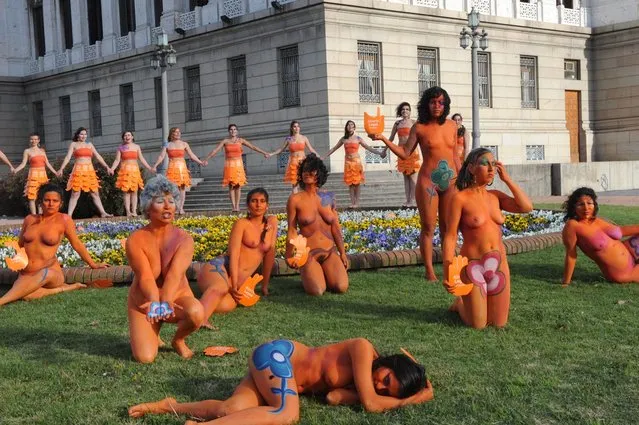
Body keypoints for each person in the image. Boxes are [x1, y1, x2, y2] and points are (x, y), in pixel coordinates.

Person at [128, 337, 433, 424]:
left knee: (230, 411)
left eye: (386, 390)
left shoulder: (363, 381)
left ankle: (168, 407)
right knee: (287, 413)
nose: (380, 385)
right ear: (390, 362)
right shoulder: (364, 349)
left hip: (275, 378)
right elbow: (370, 404)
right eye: (387, 378)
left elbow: (334, 398)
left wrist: (383, 396)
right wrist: (413, 399)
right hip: (277, 356)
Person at [370, 86, 459, 281]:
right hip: (429, 184)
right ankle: (429, 271)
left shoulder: (453, 126)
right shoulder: (419, 127)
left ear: (446, 105)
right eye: (433, 102)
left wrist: (463, 179)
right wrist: (384, 138)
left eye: (441, 102)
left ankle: (449, 269)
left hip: (451, 184)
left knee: (448, 228)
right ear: (426, 104)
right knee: (428, 227)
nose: (437, 106)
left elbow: (455, 156)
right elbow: (404, 153)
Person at [442, 148, 532, 328]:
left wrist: (507, 179)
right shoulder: (459, 199)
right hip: (473, 266)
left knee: (499, 323)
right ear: (471, 168)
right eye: (485, 164)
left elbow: (526, 207)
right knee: (478, 325)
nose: (491, 169)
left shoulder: (496, 197)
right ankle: (460, 305)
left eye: (494, 164)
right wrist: (448, 270)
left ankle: (472, 303)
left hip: (499, 266)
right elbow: (450, 236)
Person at [125, 175, 204, 362]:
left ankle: (178, 340)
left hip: (176, 298)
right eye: (160, 201)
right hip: (144, 302)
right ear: (148, 208)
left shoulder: (184, 239)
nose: (167, 206)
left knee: (196, 312)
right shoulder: (135, 239)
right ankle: (152, 332)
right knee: (145, 358)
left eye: (171, 201)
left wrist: (166, 301)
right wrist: (154, 302)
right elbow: (144, 276)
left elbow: (175, 275)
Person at [0, 183, 108, 307]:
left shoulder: (64, 220)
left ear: (60, 203)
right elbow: (20, 245)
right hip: (27, 273)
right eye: (47, 200)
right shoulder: (29, 219)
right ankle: (69, 288)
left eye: (55, 201)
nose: (51, 204)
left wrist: (93, 264)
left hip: (51, 273)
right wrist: (17, 261)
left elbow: (77, 244)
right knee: (27, 295)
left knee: (42, 275)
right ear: (40, 202)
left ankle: (2, 301)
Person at [196, 188, 277, 328]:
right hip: (220, 267)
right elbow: (234, 255)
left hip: (237, 280)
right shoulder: (242, 224)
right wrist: (233, 284)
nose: (258, 205)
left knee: (228, 305)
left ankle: (195, 303)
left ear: (267, 205)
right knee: (220, 288)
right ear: (247, 205)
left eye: (262, 201)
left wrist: (265, 286)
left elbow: (270, 254)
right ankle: (199, 320)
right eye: (254, 201)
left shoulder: (271, 223)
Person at [286, 154, 348, 296]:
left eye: (312, 170)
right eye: (305, 170)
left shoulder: (329, 197)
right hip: (308, 253)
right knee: (317, 291)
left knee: (340, 287)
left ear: (319, 173)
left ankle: (324, 272)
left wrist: (342, 253)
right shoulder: (295, 199)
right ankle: (311, 272)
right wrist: (289, 254)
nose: (307, 173)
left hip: (329, 251)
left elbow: (335, 227)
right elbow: (292, 229)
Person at [561, 187, 639, 285]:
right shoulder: (573, 226)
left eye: (589, 203)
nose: (586, 208)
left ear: (594, 204)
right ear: (574, 207)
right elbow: (571, 255)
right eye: (581, 204)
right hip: (623, 272)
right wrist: (566, 282)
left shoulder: (596, 221)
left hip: (631, 253)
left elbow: (620, 231)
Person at [203, 124, 270, 212]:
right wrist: (206, 159)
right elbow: (215, 150)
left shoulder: (240, 140)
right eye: (231, 129)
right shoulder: (225, 141)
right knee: (231, 186)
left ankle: (237, 206)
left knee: (238, 186)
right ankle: (233, 206)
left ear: (237, 131)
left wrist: (264, 152)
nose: (233, 131)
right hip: (229, 165)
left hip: (238, 165)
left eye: (234, 129)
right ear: (229, 131)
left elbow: (253, 147)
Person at [323, 120, 386, 209]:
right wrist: (324, 156)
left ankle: (356, 202)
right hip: (348, 163)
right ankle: (352, 202)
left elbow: (368, 148)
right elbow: (334, 148)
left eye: (352, 125)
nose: (350, 126)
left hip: (356, 162)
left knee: (357, 183)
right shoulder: (343, 139)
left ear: (354, 128)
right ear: (346, 127)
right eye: (348, 125)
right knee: (350, 184)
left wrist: (380, 153)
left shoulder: (358, 138)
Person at [57, 127, 113, 218]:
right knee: (75, 193)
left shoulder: (89, 144)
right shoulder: (74, 144)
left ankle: (103, 212)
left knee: (95, 192)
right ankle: (69, 215)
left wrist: (107, 167)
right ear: (78, 135)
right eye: (81, 134)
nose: (83, 136)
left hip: (89, 171)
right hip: (78, 170)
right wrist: (61, 168)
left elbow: (98, 156)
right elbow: (67, 157)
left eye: (85, 134)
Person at [152, 127, 206, 215]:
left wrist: (200, 162)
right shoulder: (167, 144)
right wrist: (155, 166)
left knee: (182, 188)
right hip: (172, 168)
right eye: (175, 132)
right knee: (172, 189)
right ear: (171, 134)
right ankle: (175, 207)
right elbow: (161, 156)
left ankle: (181, 207)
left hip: (182, 168)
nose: (178, 133)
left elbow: (192, 155)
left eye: (179, 132)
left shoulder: (184, 144)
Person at [12, 133, 58, 215]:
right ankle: (34, 216)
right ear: (30, 140)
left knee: (41, 196)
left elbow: (48, 163)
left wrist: (55, 172)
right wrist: (16, 170)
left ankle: (41, 215)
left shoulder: (42, 151)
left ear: (38, 140)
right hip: (33, 175)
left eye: (35, 139)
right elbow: (23, 163)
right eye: (32, 139)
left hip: (43, 176)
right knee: (32, 197)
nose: (34, 141)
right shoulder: (27, 151)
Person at [110, 131, 154, 217]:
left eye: (129, 135)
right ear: (123, 138)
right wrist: (112, 168)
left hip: (134, 171)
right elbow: (117, 160)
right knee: (126, 192)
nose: (127, 137)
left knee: (134, 191)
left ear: (132, 137)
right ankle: (128, 211)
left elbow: (141, 158)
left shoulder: (137, 147)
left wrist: (149, 167)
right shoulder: (121, 148)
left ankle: (134, 211)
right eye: (125, 135)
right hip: (125, 171)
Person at [268, 120, 318, 193]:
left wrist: (318, 155)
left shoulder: (304, 138)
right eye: (294, 126)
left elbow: (311, 149)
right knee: (295, 184)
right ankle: (296, 201)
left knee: (305, 182)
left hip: (303, 162)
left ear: (299, 128)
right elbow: (281, 149)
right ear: (292, 128)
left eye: (298, 126)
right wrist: (271, 154)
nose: (296, 128)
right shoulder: (289, 139)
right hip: (293, 163)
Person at [386, 103, 420, 207]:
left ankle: (414, 201)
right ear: (400, 111)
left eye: (407, 109)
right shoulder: (397, 124)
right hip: (400, 151)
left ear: (410, 111)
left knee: (413, 177)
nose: (405, 111)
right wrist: (384, 151)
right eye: (403, 109)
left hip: (412, 152)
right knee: (406, 177)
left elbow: (420, 138)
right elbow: (391, 139)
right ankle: (408, 200)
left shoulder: (414, 123)